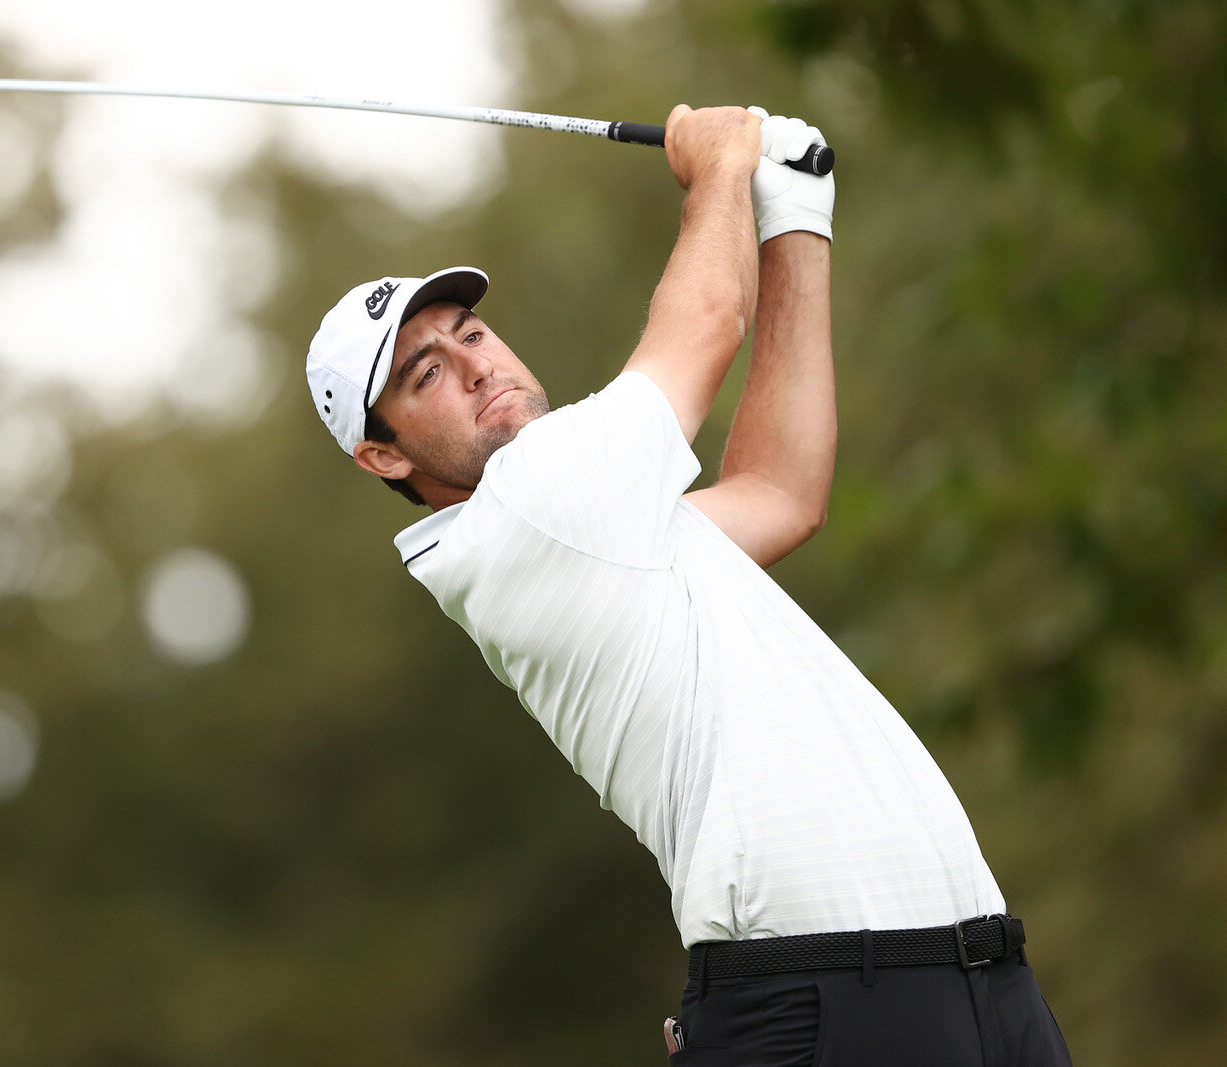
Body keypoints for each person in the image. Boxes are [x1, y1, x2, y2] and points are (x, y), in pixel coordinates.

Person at [304, 105, 1073, 1065]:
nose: (474, 366)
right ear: (382, 455)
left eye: (471, 332)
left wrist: (794, 214)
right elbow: (706, 320)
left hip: (978, 983)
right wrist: (719, 165)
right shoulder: (536, 504)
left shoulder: (593, 531)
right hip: (821, 1001)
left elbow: (780, 491)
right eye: (426, 372)